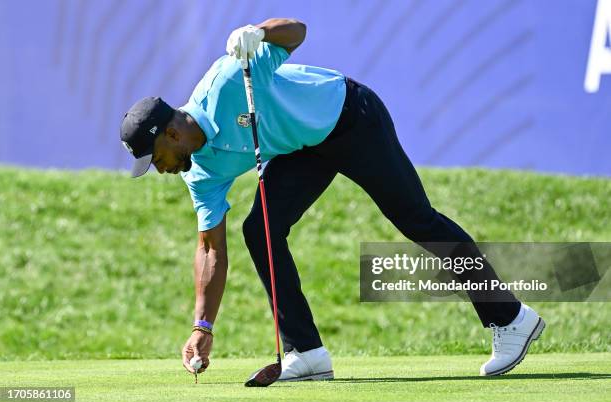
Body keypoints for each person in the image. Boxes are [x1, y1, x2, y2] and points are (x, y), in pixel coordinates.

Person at [119, 18, 545, 381]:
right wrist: (202, 325)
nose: (161, 170)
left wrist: (259, 32)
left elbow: (297, 32)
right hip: (301, 149)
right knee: (261, 229)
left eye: (156, 159)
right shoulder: (199, 170)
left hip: (349, 118)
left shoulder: (229, 76)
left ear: (171, 134)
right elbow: (210, 248)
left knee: (417, 219)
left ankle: (510, 318)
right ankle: (306, 352)